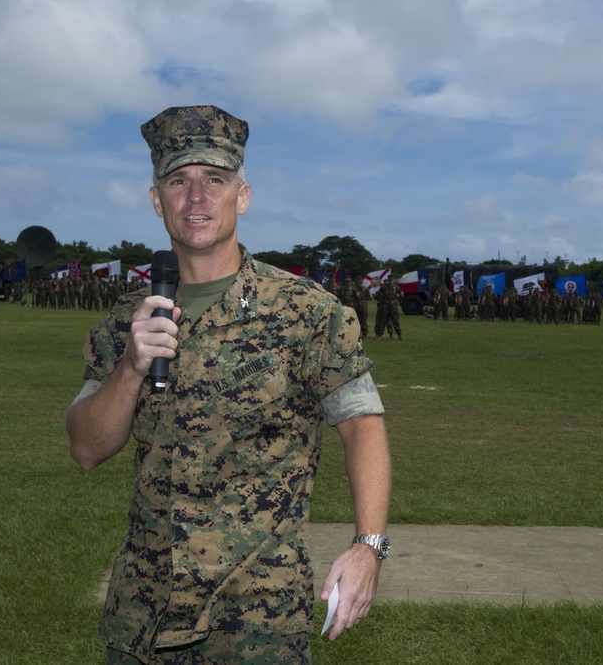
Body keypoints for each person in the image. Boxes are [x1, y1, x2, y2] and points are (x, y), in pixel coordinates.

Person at [65, 106, 392, 664]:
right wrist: (130, 367)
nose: (197, 198)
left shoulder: (306, 313)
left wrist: (369, 548)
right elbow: (87, 449)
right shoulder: (127, 321)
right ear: (156, 200)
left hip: (256, 622)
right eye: (178, 181)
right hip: (143, 616)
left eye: (214, 180)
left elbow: (363, 427)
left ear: (241, 195)